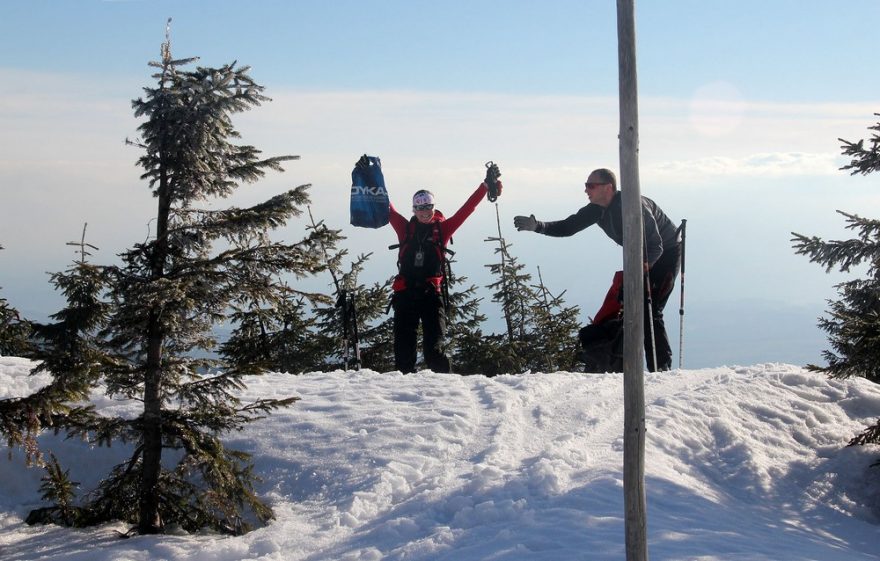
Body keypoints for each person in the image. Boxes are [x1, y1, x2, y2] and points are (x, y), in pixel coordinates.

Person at [513, 168, 680, 371]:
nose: (586, 190)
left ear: (608, 188)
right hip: (638, 257)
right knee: (631, 308)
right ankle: (628, 366)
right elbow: (568, 227)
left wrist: (640, 272)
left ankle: (661, 369)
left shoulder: (634, 206)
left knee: (650, 310)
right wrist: (537, 226)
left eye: (590, 186)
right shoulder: (596, 209)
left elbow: (656, 246)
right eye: (586, 185)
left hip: (666, 254)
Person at [389, 169, 501, 373]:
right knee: (403, 352)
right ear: (413, 209)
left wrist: (485, 187)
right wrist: (371, 175)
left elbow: (466, 210)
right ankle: (404, 395)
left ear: (433, 207)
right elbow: (387, 208)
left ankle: (447, 393)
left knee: (435, 350)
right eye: (420, 207)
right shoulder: (404, 228)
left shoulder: (443, 229)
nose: (424, 211)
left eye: (428, 206)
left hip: (431, 295)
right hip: (405, 295)